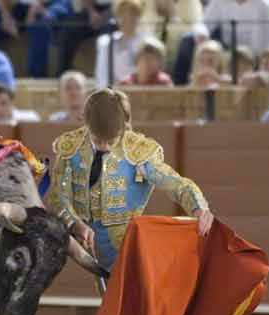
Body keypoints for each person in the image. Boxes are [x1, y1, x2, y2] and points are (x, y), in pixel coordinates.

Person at [46, 88, 213, 272]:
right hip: (86, 242)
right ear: (86, 124)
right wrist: (75, 224)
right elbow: (57, 197)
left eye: (111, 140)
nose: (105, 146)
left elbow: (176, 184)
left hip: (127, 242)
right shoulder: (71, 147)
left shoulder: (137, 151)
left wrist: (199, 208)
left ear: (124, 127)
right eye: (98, 139)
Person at [94, 0, 148, 88]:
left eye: (132, 13)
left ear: (139, 16)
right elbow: (102, 75)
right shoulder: (105, 43)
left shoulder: (147, 41)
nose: (127, 17)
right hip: (114, 95)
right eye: (122, 13)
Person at [140, 0, 205, 71]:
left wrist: (172, 15)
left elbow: (196, 25)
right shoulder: (146, 10)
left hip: (176, 59)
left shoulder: (189, 7)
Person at [203, 0, 269, 56]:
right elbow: (204, 25)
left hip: (259, 57)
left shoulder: (266, 6)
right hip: (227, 54)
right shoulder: (219, 2)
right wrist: (201, 35)